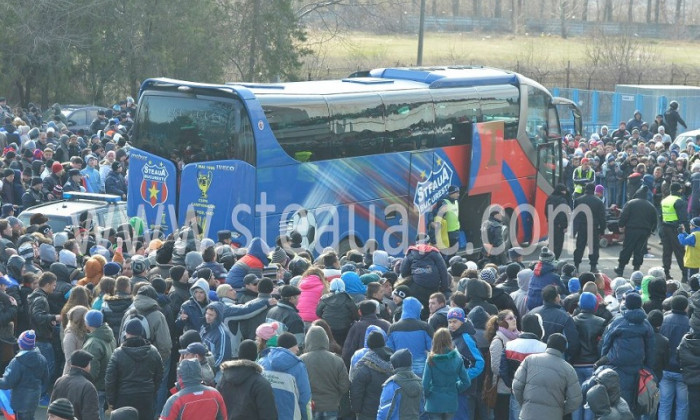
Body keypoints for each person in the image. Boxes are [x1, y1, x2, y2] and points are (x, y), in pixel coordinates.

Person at [600, 291, 655, 414]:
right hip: (638, 369)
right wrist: (648, 368)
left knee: (617, 403)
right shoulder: (646, 323)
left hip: (617, 367)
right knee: (635, 403)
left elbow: (606, 342)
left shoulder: (617, 321)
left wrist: (604, 358)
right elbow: (650, 348)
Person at [512, 333, 582, 420]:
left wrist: (525, 403)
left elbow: (517, 386)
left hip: (528, 415)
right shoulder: (568, 369)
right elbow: (575, 399)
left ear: (547, 345)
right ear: (564, 349)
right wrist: (560, 410)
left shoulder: (529, 360)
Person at [105, 318, 164, 420]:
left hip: (123, 397)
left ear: (126, 333)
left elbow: (110, 379)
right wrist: (153, 390)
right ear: (141, 333)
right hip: (146, 397)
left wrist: (111, 401)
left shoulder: (118, 353)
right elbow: (160, 374)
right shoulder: (153, 351)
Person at [217, 339, 277, 420]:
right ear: (256, 355)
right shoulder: (261, 383)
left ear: (239, 354)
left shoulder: (223, 379)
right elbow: (269, 415)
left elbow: (217, 408)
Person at [299, 326, 350, 419]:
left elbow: (298, 386)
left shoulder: (301, 361)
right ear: (326, 340)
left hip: (310, 407)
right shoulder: (337, 360)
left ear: (307, 341)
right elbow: (345, 387)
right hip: (331, 406)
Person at [259, 332, 312, 420]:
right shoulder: (298, 366)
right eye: (296, 346)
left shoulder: (261, 362)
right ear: (290, 347)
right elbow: (305, 399)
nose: (298, 349)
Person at [570, 292, 605, 420]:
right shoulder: (600, 322)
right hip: (593, 364)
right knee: (590, 400)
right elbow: (602, 345)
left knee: (576, 399)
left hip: (576, 363)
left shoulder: (573, 321)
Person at [422, 327, 471, 420]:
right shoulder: (457, 358)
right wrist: (456, 388)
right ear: (450, 340)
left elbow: (425, 385)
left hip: (434, 402)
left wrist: (428, 394)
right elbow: (466, 382)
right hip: (451, 401)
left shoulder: (430, 359)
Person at [0, 330, 49, 419]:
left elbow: (7, 383)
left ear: (20, 344)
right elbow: (45, 379)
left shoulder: (17, 362)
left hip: (20, 401)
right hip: (34, 399)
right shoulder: (42, 359)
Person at [446, 307, 484, 419]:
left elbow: (479, 362)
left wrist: (462, 378)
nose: (451, 325)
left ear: (462, 321)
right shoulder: (452, 336)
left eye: (455, 321)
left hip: (465, 391)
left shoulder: (466, 337)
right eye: (449, 322)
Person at [159, 359, 227, 420]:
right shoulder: (215, 394)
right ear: (200, 373)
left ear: (179, 376)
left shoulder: (175, 400)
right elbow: (223, 418)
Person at [658, 295, 690, 420]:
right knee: (682, 405)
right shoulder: (689, 323)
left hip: (665, 368)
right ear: (686, 307)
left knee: (665, 404)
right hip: (683, 370)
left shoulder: (663, 320)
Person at [350, 330, 394, 420]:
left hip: (368, 413)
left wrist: (356, 410)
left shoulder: (363, 366)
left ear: (368, 345)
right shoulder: (394, 361)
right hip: (390, 411)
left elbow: (357, 392)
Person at [528, 285, 580, 359]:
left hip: (533, 358)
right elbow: (573, 343)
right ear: (557, 298)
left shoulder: (532, 313)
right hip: (557, 359)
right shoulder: (565, 317)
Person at [615, 188, 658, 277]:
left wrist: (621, 225)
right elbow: (655, 220)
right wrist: (651, 231)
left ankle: (620, 268)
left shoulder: (630, 203)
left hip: (631, 230)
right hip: (644, 231)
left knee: (627, 249)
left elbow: (624, 215)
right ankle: (636, 269)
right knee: (639, 251)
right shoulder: (650, 206)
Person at [82, 310, 116, 420]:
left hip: (96, 385)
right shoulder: (110, 336)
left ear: (88, 323)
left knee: (94, 412)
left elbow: (92, 370)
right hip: (107, 382)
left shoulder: (93, 343)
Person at [387, 297, 433, 377]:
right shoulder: (425, 327)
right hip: (421, 367)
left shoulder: (393, 328)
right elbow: (433, 348)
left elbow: (389, 350)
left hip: (400, 367)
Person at [486, 310, 519, 420]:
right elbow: (495, 367)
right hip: (502, 389)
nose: (514, 320)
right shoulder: (498, 340)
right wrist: (509, 380)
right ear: (502, 323)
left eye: (514, 317)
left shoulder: (518, 337)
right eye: (510, 318)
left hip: (515, 387)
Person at [51, 350, 100, 420]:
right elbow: (91, 416)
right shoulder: (88, 387)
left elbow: (51, 410)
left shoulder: (60, 381)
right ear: (86, 365)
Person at [377, 348, 424, 420]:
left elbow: (384, 411)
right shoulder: (419, 382)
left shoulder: (392, 384)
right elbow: (422, 410)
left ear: (396, 364)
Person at [342, 300, 391, 367]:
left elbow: (348, 351)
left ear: (359, 312)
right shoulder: (386, 325)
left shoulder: (357, 326)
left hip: (363, 365)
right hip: (386, 365)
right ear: (376, 311)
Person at [573, 182, 606, 273]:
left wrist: (574, 230)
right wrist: (602, 230)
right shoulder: (598, 201)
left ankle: (576, 265)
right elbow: (602, 217)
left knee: (580, 246)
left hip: (582, 227)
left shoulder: (578, 200)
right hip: (593, 227)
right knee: (594, 247)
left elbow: (575, 216)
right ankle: (593, 266)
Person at [316, 278, 358, 346]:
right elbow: (355, 315)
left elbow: (318, 312)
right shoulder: (348, 299)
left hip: (328, 327)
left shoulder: (324, 298)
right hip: (344, 328)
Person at [661, 183, 688, 281]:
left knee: (667, 252)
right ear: (679, 190)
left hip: (665, 227)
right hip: (675, 228)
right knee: (680, 252)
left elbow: (661, 215)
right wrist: (686, 232)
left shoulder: (665, 200)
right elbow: (683, 218)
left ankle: (666, 273)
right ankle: (685, 275)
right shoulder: (679, 201)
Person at [433, 185, 461, 257]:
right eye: (456, 193)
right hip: (447, 232)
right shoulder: (444, 202)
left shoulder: (456, 202)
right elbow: (438, 217)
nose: (458, 195)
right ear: (451, 193)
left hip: (456, 231)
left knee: (453, 252)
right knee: (445, 253)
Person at [545, 184, 571, 260]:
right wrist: (564, 226)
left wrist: (548, 219)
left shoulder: (550, 198)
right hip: (559, 225)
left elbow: (546, 210)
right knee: (558, 244)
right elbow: (563, 214)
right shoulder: (562, 200)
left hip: (551, 223)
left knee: (552, 242)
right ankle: (555, 260)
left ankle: (549, 259)